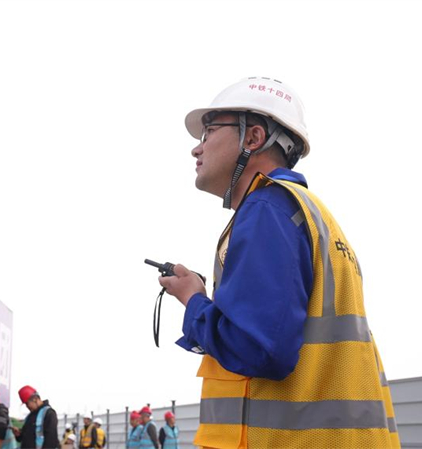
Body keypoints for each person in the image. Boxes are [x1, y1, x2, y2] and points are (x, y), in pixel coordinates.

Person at [158, 77, 400, 449]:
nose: (197, 148)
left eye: (208, 132)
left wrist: (193, 299)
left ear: (252, 139)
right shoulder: (315, 215)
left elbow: (257, 349)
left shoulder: (267, 208)